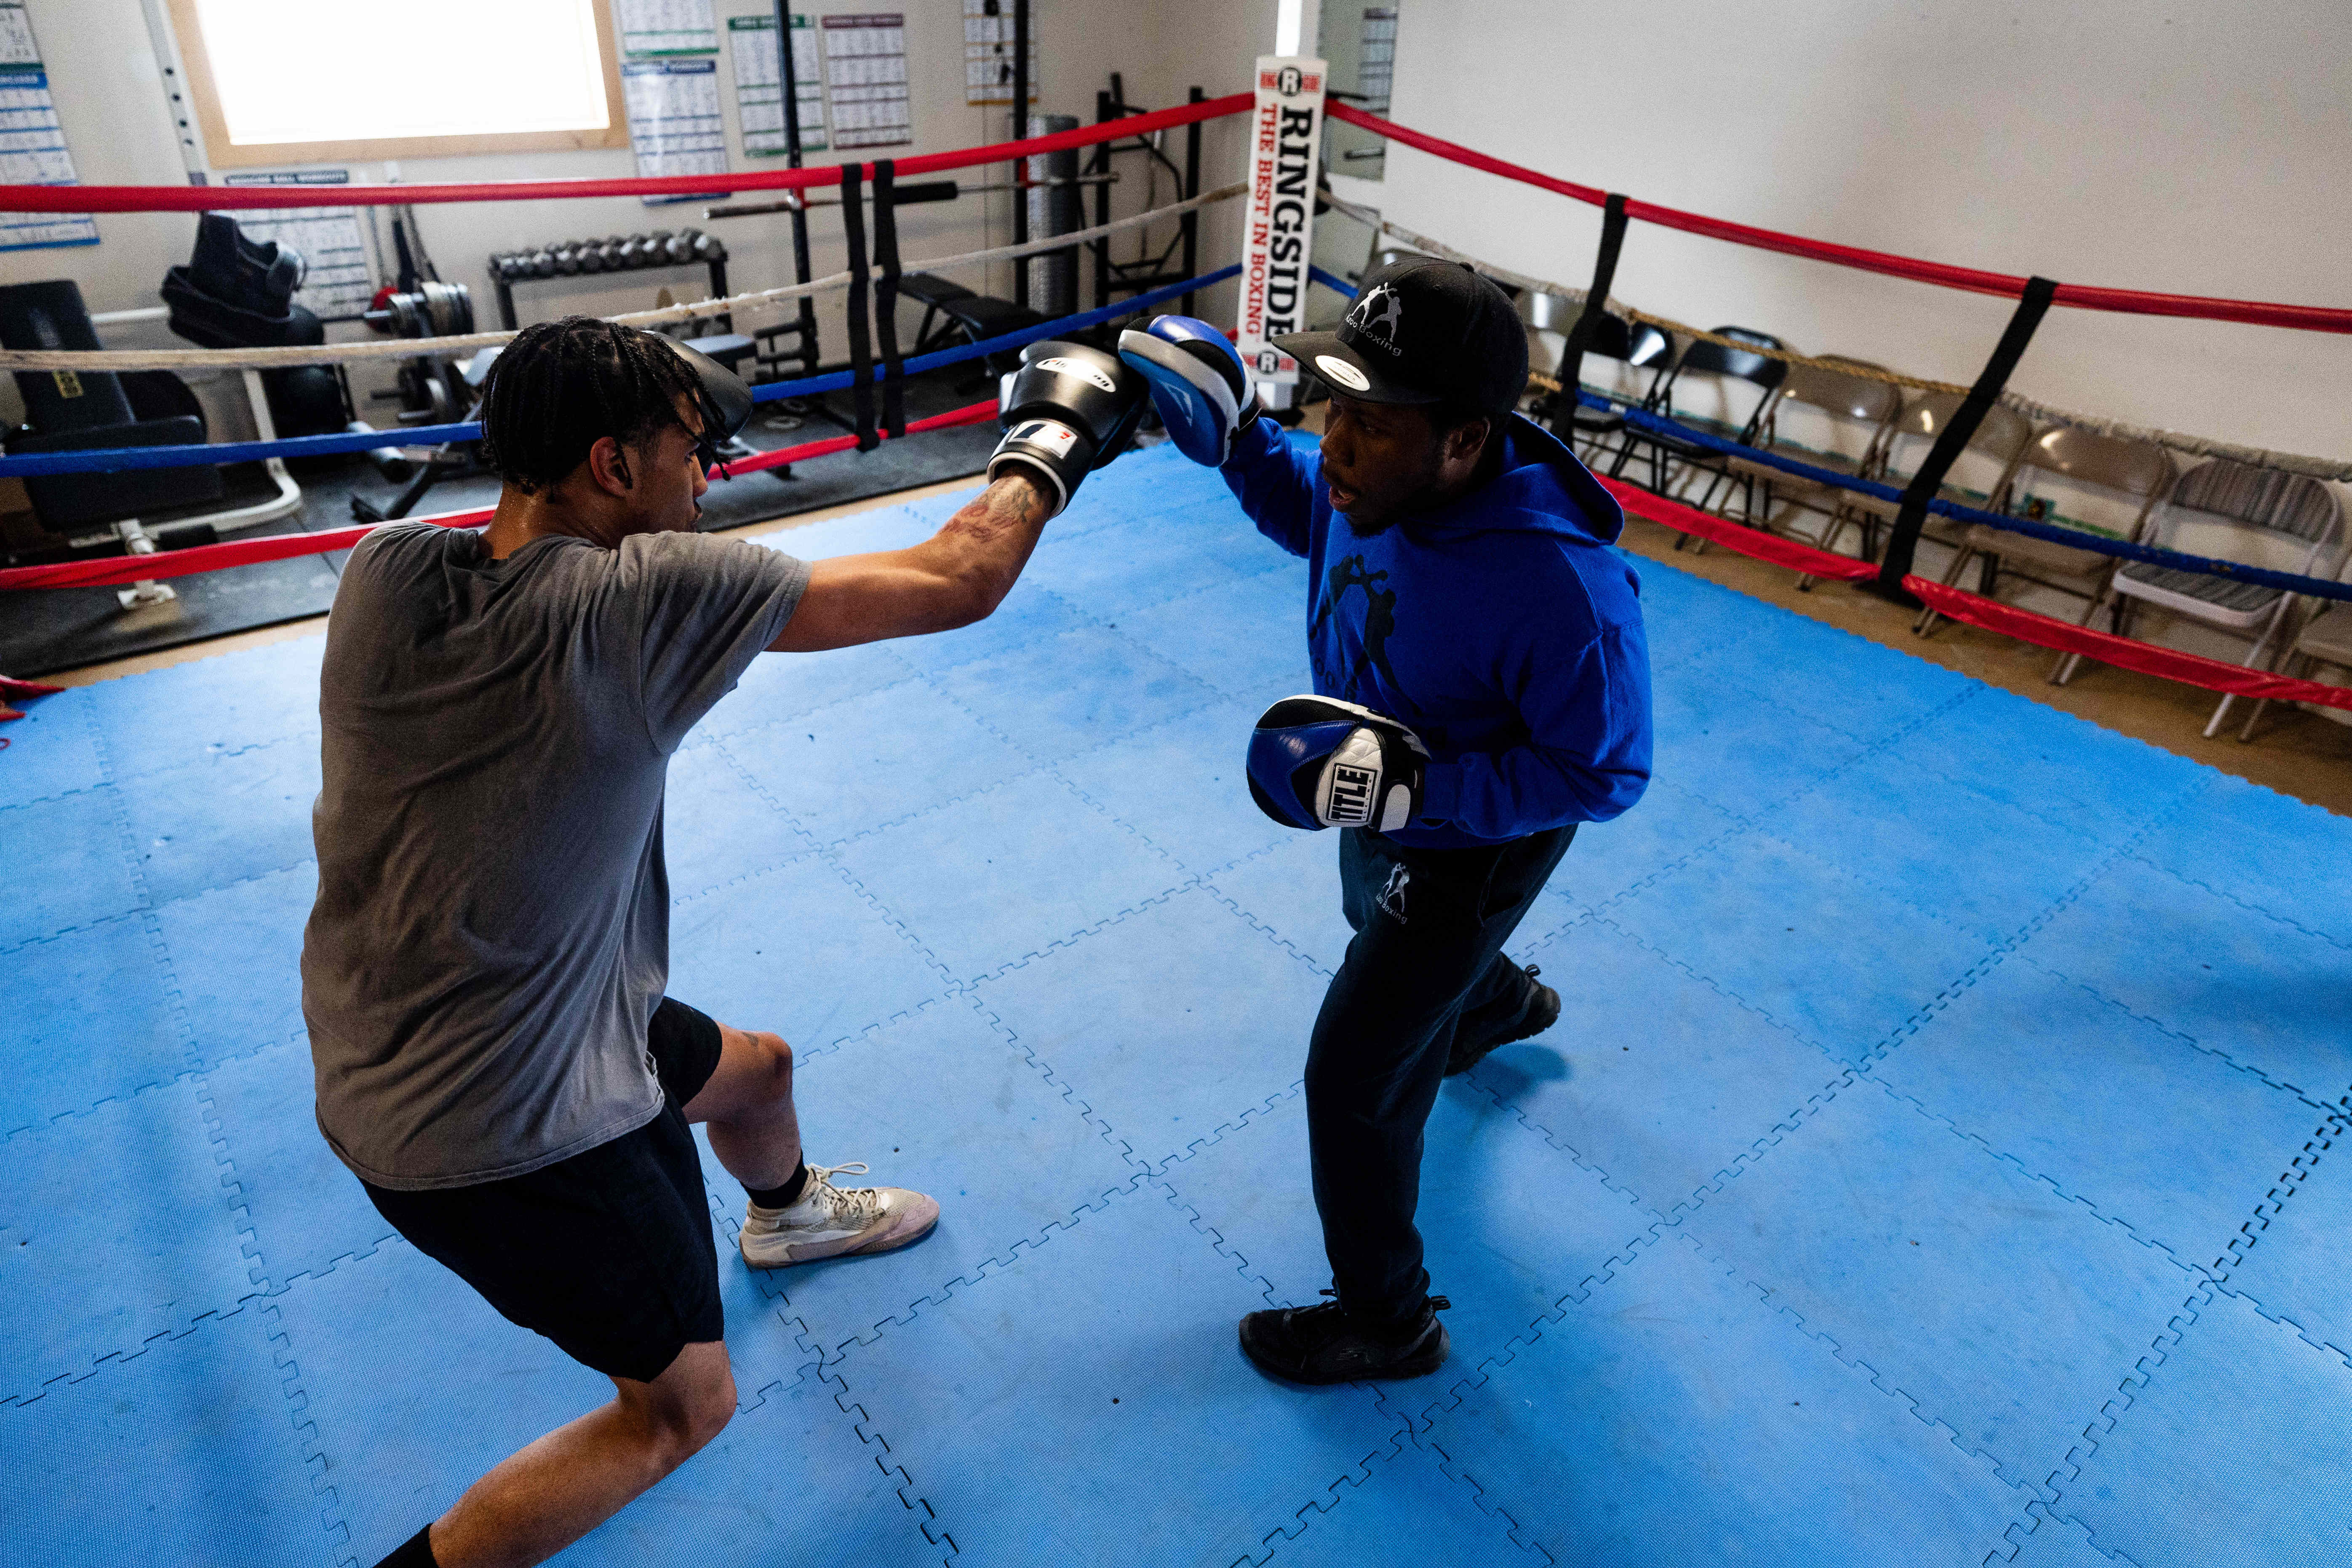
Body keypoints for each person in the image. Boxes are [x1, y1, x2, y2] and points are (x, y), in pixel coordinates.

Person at [301, 318, 1143, 1568]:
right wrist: (1053, 435)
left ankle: (789, 1214)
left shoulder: (386, 569)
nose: (710, 477)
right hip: (500, 1130)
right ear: (612, 466)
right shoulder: (642, 597)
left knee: (759, 1067)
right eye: (692, 450)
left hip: (418, 1021)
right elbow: (956, 577)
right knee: (681, 1411)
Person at [1119, 259, 1653, 1384]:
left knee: (1353, 1077)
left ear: (1462, 442)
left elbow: (1602, 774)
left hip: (1476, 836)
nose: (1338, 443)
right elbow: (1302, 507)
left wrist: (1428, 791)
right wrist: (1238, 445)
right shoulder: (1374, 479)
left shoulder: (1562, 592)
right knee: (1369, 905)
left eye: (1369, 421)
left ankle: (1389, 1319)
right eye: (1331, 408)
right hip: (1374, 768)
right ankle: (1499, 1000)